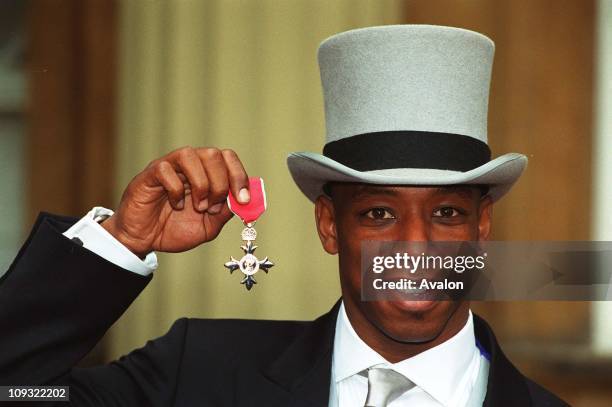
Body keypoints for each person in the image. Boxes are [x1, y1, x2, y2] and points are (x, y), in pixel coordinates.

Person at [0, 25, 567, 406]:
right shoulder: (199, 372)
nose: (413, 246)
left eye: (445, 212)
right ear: (328, 224)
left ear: (481, 227)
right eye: (377, 213)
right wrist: (122, 241)